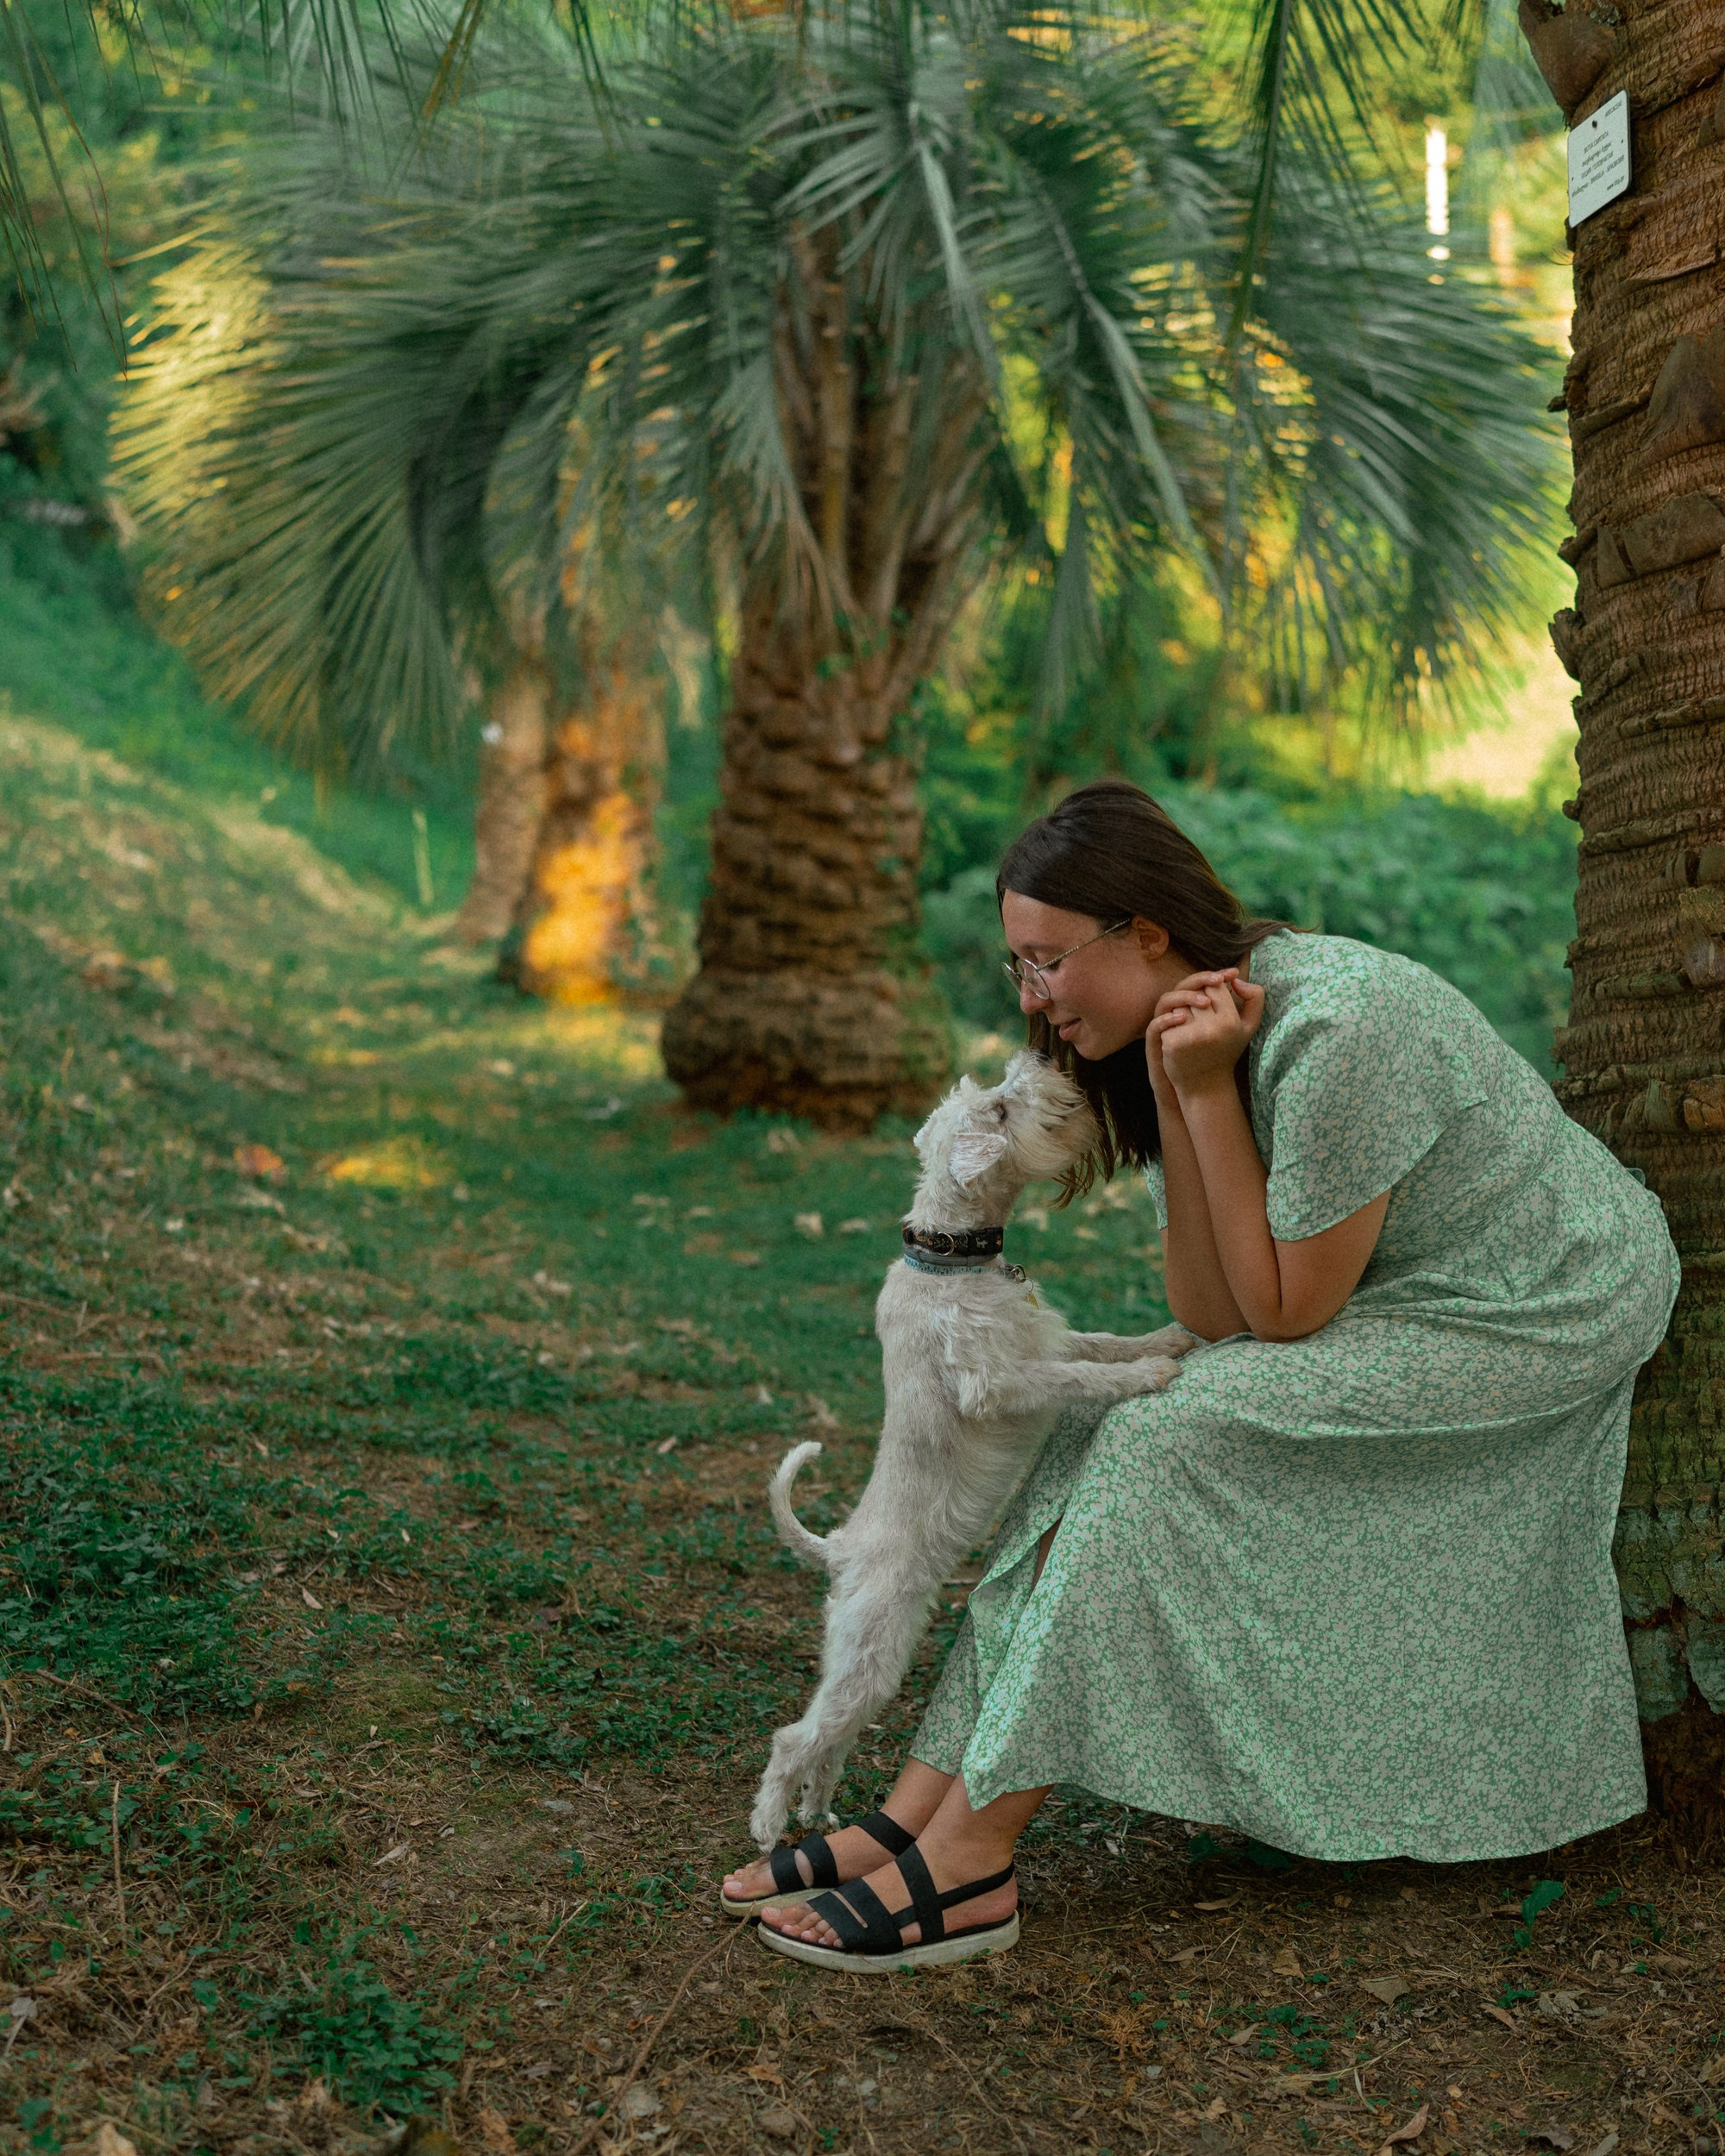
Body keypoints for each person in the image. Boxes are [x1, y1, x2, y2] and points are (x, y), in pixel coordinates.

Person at [720, 778, 1678, 1973]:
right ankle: (913, 1817)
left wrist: (1206, 1086)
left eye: (1047, 963)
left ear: (1148, 934)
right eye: (1017, 970)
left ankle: (968, 1863)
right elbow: (1210, 1309)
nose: (1032, 1000)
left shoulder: (1341, 1031)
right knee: (1096, 1431)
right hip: (1393, 1285)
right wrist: (1185, 1089)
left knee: (1170, 1435)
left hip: (1540, 1301)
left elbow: (1276, 1317)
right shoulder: (1191, 1031)